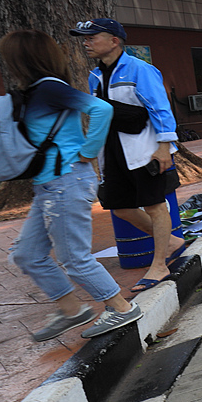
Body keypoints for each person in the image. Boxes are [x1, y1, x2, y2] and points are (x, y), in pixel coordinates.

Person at [0, 30, 142, 341]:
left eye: (10, 56)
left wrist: (89, 152)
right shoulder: (38, 90)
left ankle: (122, 308)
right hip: (49, 186)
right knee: (27, 254)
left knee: (73, 258)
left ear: (23, 59)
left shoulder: (50, 89)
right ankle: (71, 310)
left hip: (67, 182)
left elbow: (101, 110)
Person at [69, 18, 182, 294]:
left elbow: (160, 109)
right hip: (113, 151)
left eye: (91, 37)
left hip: (145, 150)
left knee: (155, 206)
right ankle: (171, 243)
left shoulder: (140, 69)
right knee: (121, 208)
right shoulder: (94, 76)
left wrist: (165, 146)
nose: (86, 43)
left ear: (114, 41)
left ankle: (159, 264)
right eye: (84, 38)